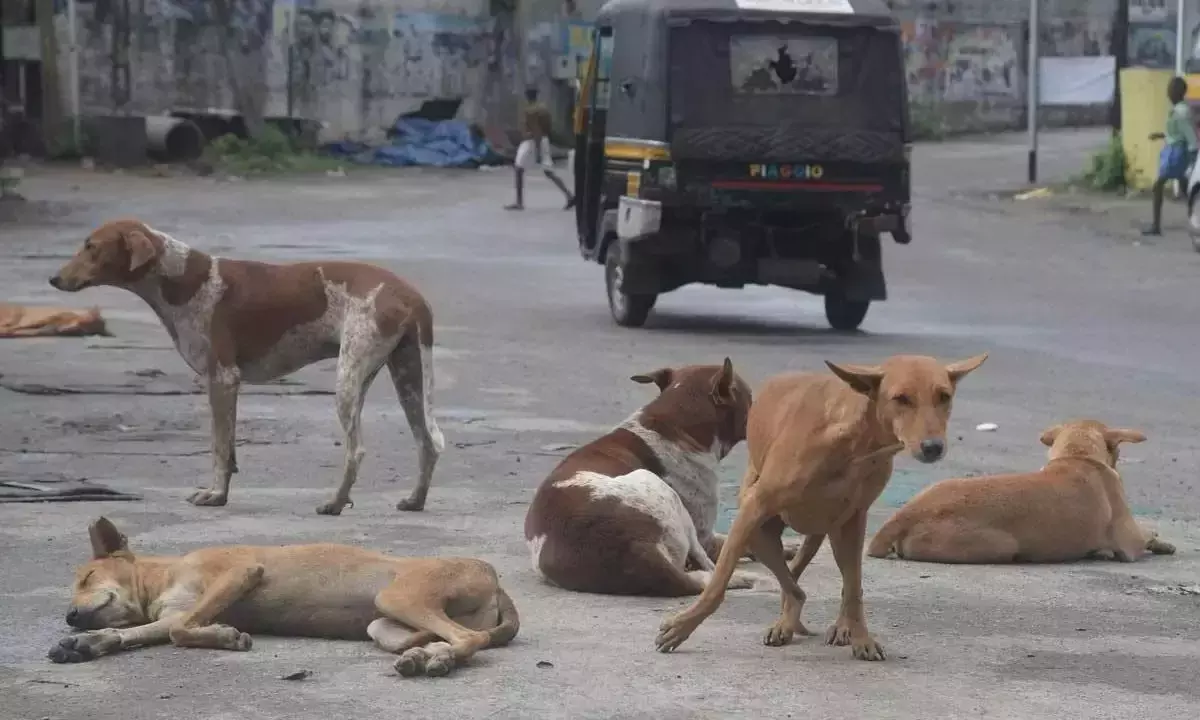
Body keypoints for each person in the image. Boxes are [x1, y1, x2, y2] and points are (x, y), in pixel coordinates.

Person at [1144, 76, 1199, 236]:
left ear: (1175, 93)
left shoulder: (1180, 112)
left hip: (1177, 153)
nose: (1168, 93)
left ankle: (1156, 226)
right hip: (1177, 151)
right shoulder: (1181, 110)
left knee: (1158, 185)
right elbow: (1177, 133)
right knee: (1186, 191)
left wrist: (1193, 158)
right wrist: (1161, 135)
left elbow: (1189, 136)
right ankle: (1194, 221)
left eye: (1170, 89)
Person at [506, 87, 575, 211]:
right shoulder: (543, 109)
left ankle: (519, 202)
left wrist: (537, 149)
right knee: (548, 171)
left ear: (527, 96)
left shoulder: (530, 111)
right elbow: (547, 127)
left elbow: (535, 129)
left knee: (518, 169)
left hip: (532, 141)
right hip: (543, 140)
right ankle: (569, 195)